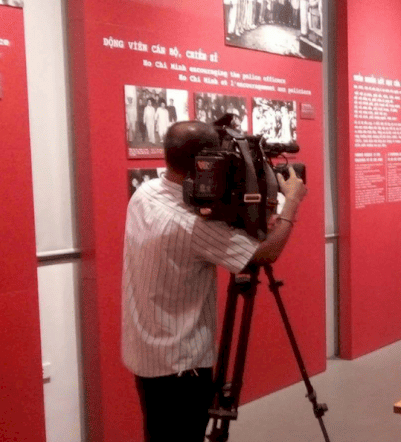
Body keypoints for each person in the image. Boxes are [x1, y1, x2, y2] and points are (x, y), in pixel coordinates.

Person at [121, 121, 307, 442]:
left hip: (145, 354)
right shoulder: (191, 225)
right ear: (205, 161)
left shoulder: (145, 193)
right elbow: (266, 252)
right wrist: (291, 202)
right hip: (181, 367)